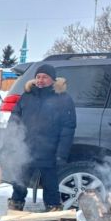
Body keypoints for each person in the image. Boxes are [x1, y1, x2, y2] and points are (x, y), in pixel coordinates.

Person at [6, 64, 76, 211]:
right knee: (19, 182)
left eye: (45, 77)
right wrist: (13, 142)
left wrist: (61, 154)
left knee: (51, 186)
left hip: (49, 151)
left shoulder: (63, 99)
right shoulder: (27, 96)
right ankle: (15, 209)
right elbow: (14, 119)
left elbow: (68, 128)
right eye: (38, 77)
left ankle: (53, 211)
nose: (40, 80)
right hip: (26, 148)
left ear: (53, 80)